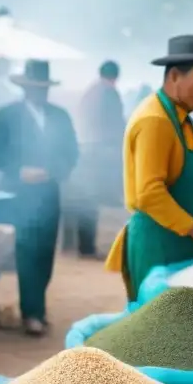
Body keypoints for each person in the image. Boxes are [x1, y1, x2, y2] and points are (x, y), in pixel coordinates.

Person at [104, 35, 193, 302]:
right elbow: (149, 193)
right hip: (158, 246)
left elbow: (184, 181)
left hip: (181, 242)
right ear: (174, 77)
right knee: (157, 332)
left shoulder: (183, 118)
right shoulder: (154, 121)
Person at [0, 60, 79, 336]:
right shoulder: (4, 116)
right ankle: (31, 313)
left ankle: (38, 307)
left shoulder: (60, 116)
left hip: (49, 192)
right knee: (27, 250)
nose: (40, 92)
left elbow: (72, 153)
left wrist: (52, 171)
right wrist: (18, 171)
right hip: (20, 193)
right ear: (25, 88)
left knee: (46, 251)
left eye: (44, 88)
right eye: (35, 87)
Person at [67, 59, 125, 258]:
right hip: (101, 150)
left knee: (84, 198)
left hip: (87, 147)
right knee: (90, 199)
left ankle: (74, 244)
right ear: (115, 76)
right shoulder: (109, 93)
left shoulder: (90, 91)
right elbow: (115, 123)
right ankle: (86, 247)